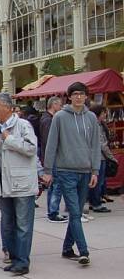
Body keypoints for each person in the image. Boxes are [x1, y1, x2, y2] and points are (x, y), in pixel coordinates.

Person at [42, 82, 100, 267]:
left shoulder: (91, 118)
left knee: (76, 213)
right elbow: (51, 145)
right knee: (75, 212)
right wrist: (48, 171)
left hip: (85, 171)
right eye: (74, 94)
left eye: (81, 94)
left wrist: (95, 170)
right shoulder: (59, 117)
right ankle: (84, 251)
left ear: (86, 96)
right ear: (69, 97)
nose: (78, 97)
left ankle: (67, 248)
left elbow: (95, 146)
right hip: (66, 171)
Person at [0, 93, 40, 275]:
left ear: (8, 107)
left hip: (21, 184)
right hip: (4, 185)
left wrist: (9, 139)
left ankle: (23, 261)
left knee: (23, 224)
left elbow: (31, 148)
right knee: (8, 223)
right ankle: (14, 257)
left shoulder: (23, 125)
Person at [40, 96, 67, 223]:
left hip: (52, 156)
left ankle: (52, 210)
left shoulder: (48, 118)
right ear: (54, 105)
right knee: (56, 185)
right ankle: (53, 211)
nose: (61, 107)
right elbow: (49, 141)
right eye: (59, 104)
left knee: (54, 185)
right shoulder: (48, 120)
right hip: (53, 157)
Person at [87, 104, 114, 214]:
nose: (105, 114)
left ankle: (94, 201)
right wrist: (111, 157)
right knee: (98, 181)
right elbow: (101, 143)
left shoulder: (99, 124)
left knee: (97, 181)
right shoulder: (96, 126)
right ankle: (96, 203)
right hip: (100, 157)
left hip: (97, 156)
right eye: (103, 112)